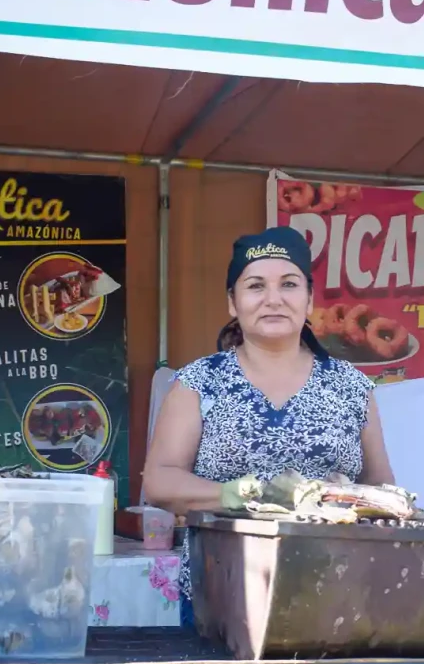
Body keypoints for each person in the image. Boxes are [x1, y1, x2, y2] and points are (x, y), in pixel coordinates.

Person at [143, 226, 396, 623]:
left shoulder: (352, 386)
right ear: (233, 301)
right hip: (224, 593)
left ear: (310, 299)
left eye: (289, 284)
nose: (273, 299)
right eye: (256, 285)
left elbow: (383, 492)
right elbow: (159, 481)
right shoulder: (201, 382)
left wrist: (344, 501)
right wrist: (252, 495)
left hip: (336, 594)